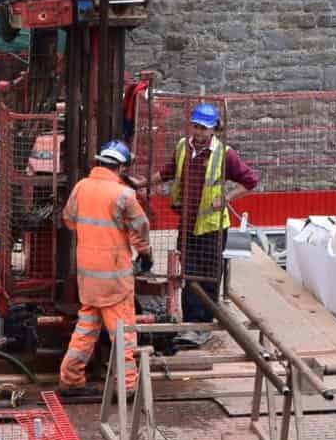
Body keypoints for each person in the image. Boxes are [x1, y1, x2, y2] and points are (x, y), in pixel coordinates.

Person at [58, 140, 150, 393]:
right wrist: (145, 254)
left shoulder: (81, 187)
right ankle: (128, 387)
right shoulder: (124, 195)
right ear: (120, 167)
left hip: (88, 276)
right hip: (115, 279)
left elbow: (69, 219)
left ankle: (70, 379)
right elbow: (140, 227)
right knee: (122, 334)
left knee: (86, 329)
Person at [157, 102, 259, 320]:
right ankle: (191, 323)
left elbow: (250, 180)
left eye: (203, 128)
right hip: (187, 225)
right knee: (189, 276)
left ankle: (205, 322)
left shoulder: (224, 154)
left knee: (209, 277)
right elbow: (168, 171)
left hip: (212, 229)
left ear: (213, 129)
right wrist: (142, 183)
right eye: (196, 126)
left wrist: (227, 198)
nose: (199, 132)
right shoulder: (183, 146)